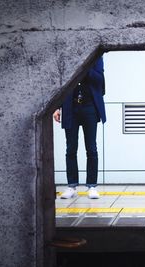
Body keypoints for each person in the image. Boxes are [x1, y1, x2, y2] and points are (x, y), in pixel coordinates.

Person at [53, 56, 106, 199]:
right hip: (71, 108)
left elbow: (100, 80)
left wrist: (84, 67)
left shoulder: (96, 57)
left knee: (91, 148)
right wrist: (57, 107)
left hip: (90, 108)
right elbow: (60, 84)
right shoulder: (66, 57)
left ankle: (92, 186)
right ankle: (72, 186)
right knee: (71, 148)